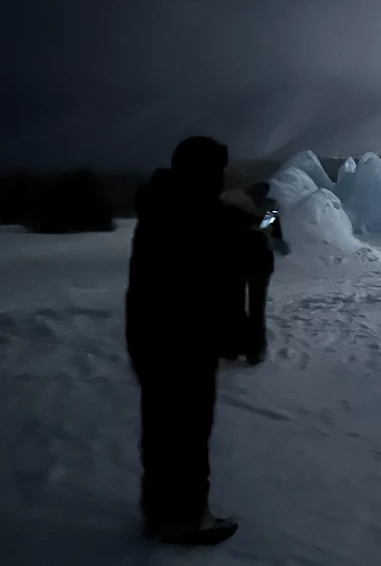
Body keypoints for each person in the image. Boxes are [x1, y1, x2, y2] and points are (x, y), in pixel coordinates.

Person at [125, 136, 247, 545]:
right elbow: (209, 283)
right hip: (183, 345)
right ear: (197, 171)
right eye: (214, 170)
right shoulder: (192, 216)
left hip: (155, 340)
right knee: (187, 434)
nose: (218, 179)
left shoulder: (164, 208)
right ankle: (186, 518)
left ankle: (161, 513)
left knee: (163, 433)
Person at [220, 181, 285, 365]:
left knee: (234, 305)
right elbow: (275, 233)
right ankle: (255, 350)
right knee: (257, 308)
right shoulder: (269, 209)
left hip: (235, 262)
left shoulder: (231, 207)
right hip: (261, 263)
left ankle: (232, 347)